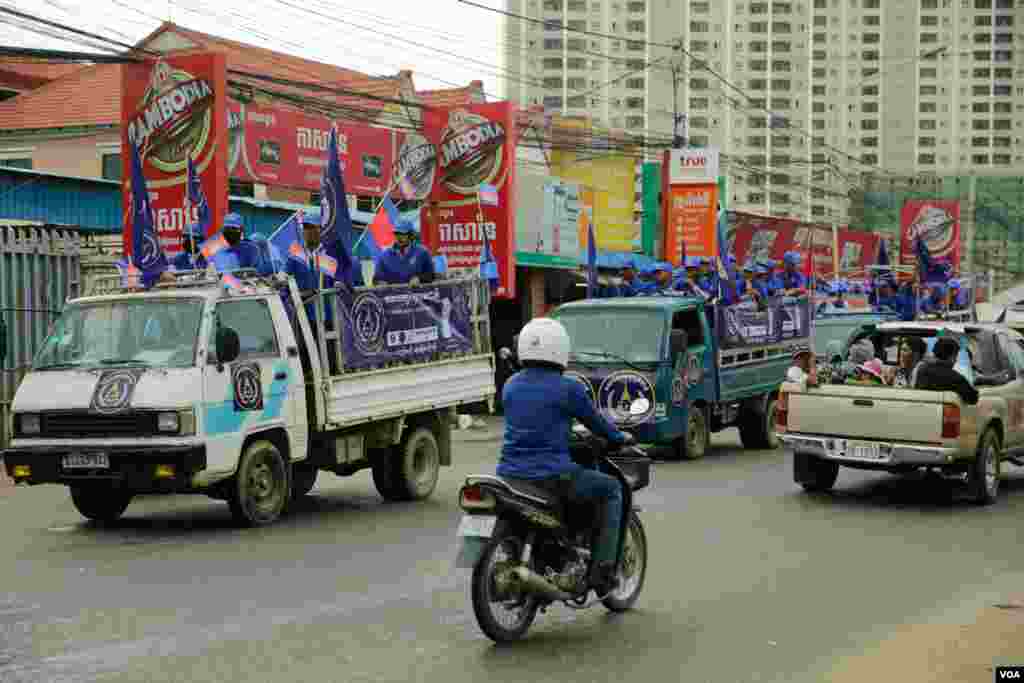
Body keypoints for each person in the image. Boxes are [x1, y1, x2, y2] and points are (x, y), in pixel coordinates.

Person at [497, 317, 635, 596]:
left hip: (509, 476)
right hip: (551, 477)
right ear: (560, 349)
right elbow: (598, 424)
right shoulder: (569, 388)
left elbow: (533, 419)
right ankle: (603, 572)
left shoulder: (511, 384)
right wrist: (620, 438)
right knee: (612, 488)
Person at [915, 337, 979, 404]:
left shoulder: (921, 371)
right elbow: (973, 399)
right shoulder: (957, 378)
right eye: (956, 356)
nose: (956, 360)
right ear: (952, 357)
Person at [373, 220, 435, 286]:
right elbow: (376, 278)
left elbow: (430, 275)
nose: (399, 237)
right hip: (392, 295)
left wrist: (419, 279)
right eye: (396, 233)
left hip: (417, 294)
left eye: (403, 234)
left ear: (411, 235)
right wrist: (380, 282)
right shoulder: (384, 255)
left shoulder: (422, 252)